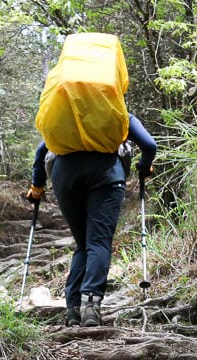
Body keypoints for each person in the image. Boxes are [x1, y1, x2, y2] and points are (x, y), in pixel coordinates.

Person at [26, 114, 156, 327]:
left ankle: (73, 309)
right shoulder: (117, 113)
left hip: (64, 174)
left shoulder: (66, 115)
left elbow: (42, 151)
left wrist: (37, 187)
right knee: (98, 242)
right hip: (107, 173)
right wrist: (145, 165)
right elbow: (149, 145)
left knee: (83, 243)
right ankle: (90, 306)